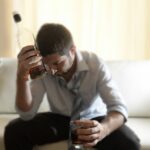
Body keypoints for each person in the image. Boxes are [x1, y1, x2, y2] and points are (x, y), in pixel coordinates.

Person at [4, 23, 140, 150]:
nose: (51, 70)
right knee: (14, 130)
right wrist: (21, 77)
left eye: (57, 63)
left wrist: (103, 130)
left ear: (72, 50)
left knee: (130, 142)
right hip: (60, 119)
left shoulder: (95, 63)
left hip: (93, 118)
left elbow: (119, 107)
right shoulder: (43, 69)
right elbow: (27, 113)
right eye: (47, 64)